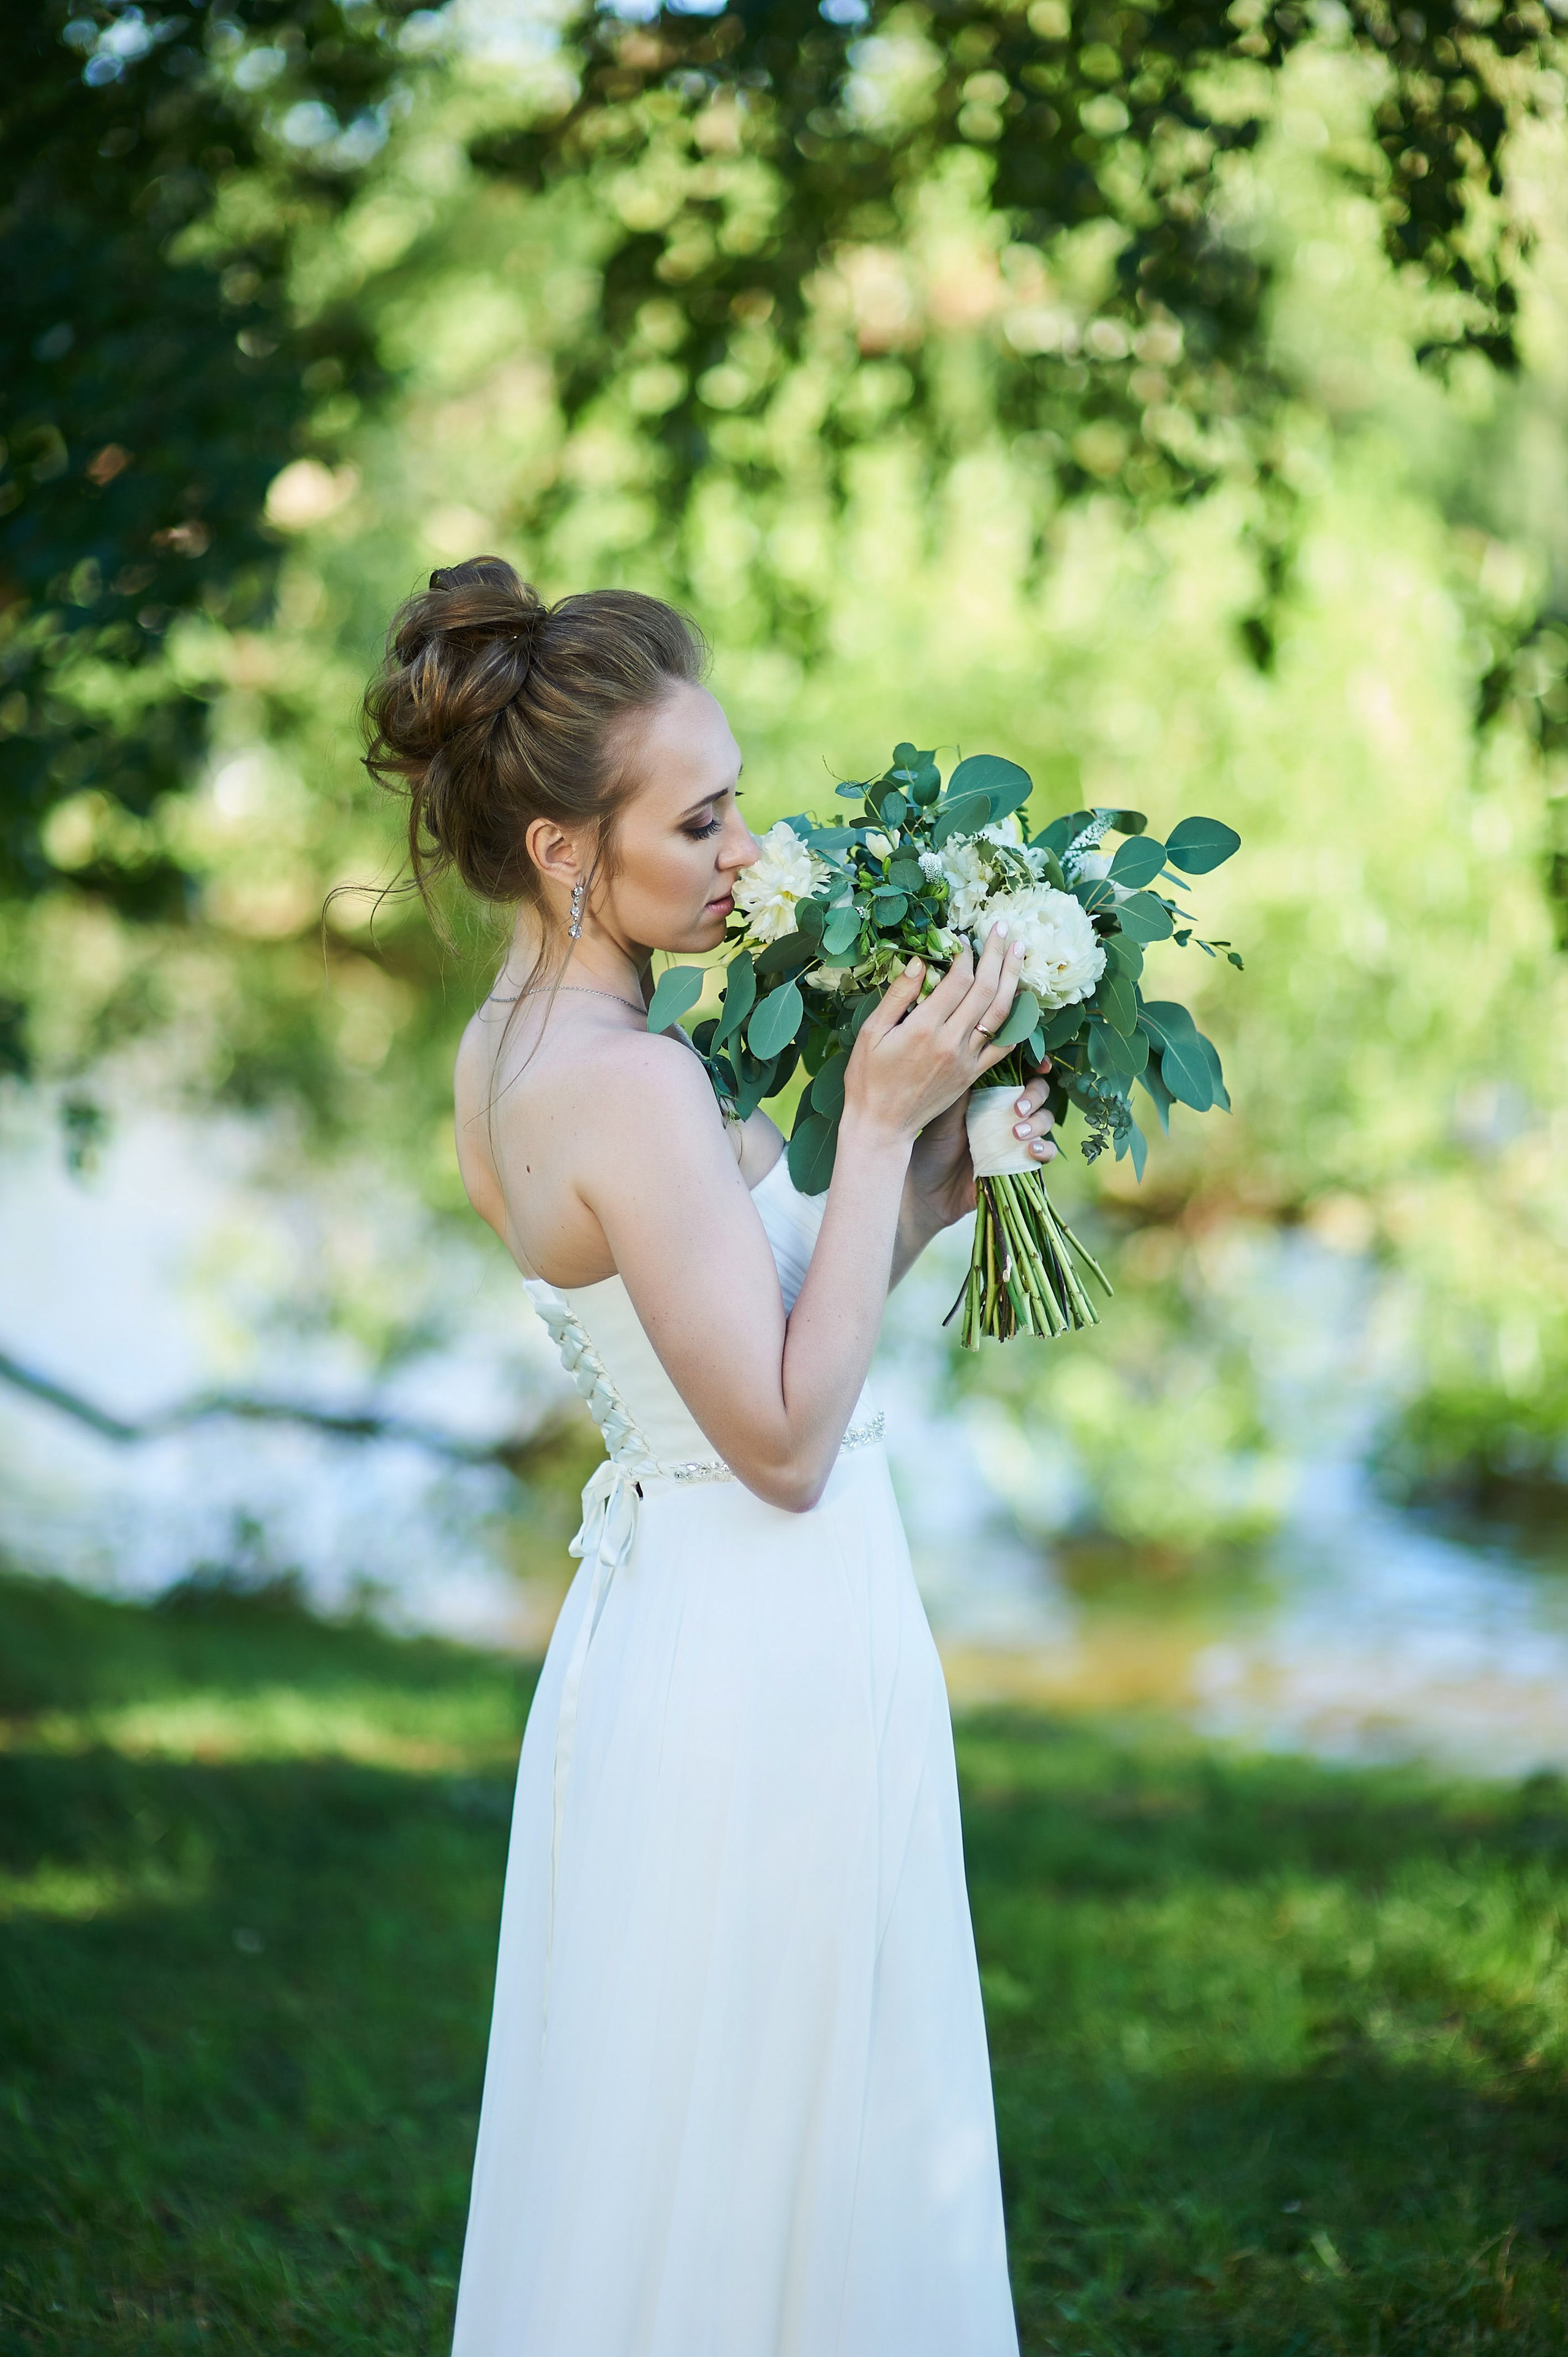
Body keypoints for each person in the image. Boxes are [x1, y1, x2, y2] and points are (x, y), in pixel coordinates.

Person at [363, 559, 1058, 2357]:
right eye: (705, 816)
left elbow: (738, 1334)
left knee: (705, 2130)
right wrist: (881, 1112)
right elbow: (782, 1440)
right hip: (767, 1639)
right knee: (797, 2124)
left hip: (681, 1630)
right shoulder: (637, 1087)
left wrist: (922, 1191)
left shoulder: (510, 1049)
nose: (747, 850)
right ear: (565, 853)